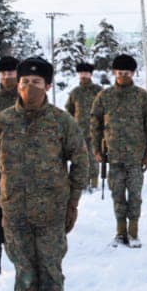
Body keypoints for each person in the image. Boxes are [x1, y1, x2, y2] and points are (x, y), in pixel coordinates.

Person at [0, 58, 88, 291]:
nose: (30, 87)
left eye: (37, 83)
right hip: (14, 211)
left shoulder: (62, 121)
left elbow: (80, 161)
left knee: (51, 266)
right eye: (26, 82)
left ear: (48, 86)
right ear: (18, 85)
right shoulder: (1, 122)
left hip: (52, 211)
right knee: (24, 268)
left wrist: (72, 202)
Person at [90, 54, 147, 247]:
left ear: (133, 73)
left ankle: (133, 232)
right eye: (119, 72)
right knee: (117, 195)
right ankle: (120, 232)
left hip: (136, 158)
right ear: (114, 73)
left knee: (135, 196)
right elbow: (95, 124)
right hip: (113, 156)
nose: (123, 76)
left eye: (127, 73)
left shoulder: (142, 96)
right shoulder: (105, 96)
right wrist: (96, 148)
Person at [64, 62, 102, 194]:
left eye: (86, 73)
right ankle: (84, 182)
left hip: (95, 130)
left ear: (90, 74)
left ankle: (95, 181)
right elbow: (69, 110)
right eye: (81, 73)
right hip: (79, 131)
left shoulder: (98, 90)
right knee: (81, 157)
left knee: (94, 156)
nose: (83, 76)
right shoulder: (75, 92)